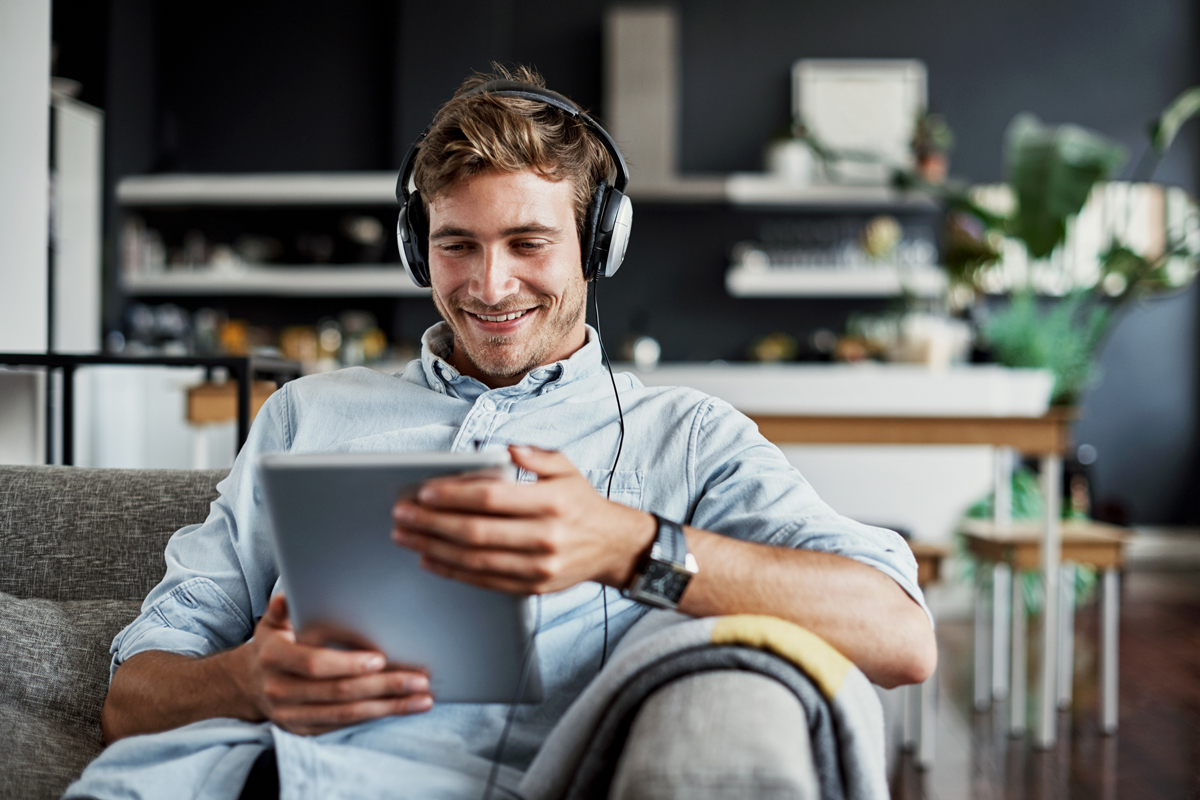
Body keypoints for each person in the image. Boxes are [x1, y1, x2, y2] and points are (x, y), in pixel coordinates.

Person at [72, 66, 936, 800]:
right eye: (458, 246)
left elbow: (900, 636)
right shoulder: (305, 414)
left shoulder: (688, 438)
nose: (490, 284)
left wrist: (632, 548)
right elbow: (133, 695)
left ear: (599, 242)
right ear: (421, 250)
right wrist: (242, 680)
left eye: (528, 241)